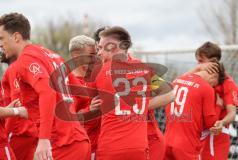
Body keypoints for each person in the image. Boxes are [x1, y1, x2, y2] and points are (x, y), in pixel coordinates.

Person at [0, 12, 90, 160]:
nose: (0, 44)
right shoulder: (52, 55)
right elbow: (81, 95)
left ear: (16, 37)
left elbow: (47, 92)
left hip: (62, 144)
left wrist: (44, 138)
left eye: (1, 38)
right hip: (79, 141)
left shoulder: (26, 59)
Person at [95, 26, 174, 160]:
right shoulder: (142, 68)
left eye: (101, 48)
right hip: (139, 145)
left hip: (119, 144)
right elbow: (171, 94)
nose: (99, 53)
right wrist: (139, 105)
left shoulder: (100, 71)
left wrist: (140, 105)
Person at [164, 62, 224, 160]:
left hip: (167, 140)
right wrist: (218, 106)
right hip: (187, 144)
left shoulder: (176, 80)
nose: (212, 86)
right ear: (214, 76)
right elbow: (211, 123)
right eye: (214, 84)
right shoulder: (206, 88)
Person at [189, 42, 238, 160]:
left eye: (201, 61)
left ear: (213, 61)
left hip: (217, 134)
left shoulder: (228, 83)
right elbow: (176, 84)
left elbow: (232, 113)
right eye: (197, 61)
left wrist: (222, 123)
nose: (199, 65)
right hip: (196, 133)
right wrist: (196, 69)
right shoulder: (197, 75)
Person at [68, 35, 102, 160]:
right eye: (91, 56)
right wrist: (89, 110)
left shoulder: (99, 76)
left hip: (102, 145)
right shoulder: (65, 84)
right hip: (80, 148)